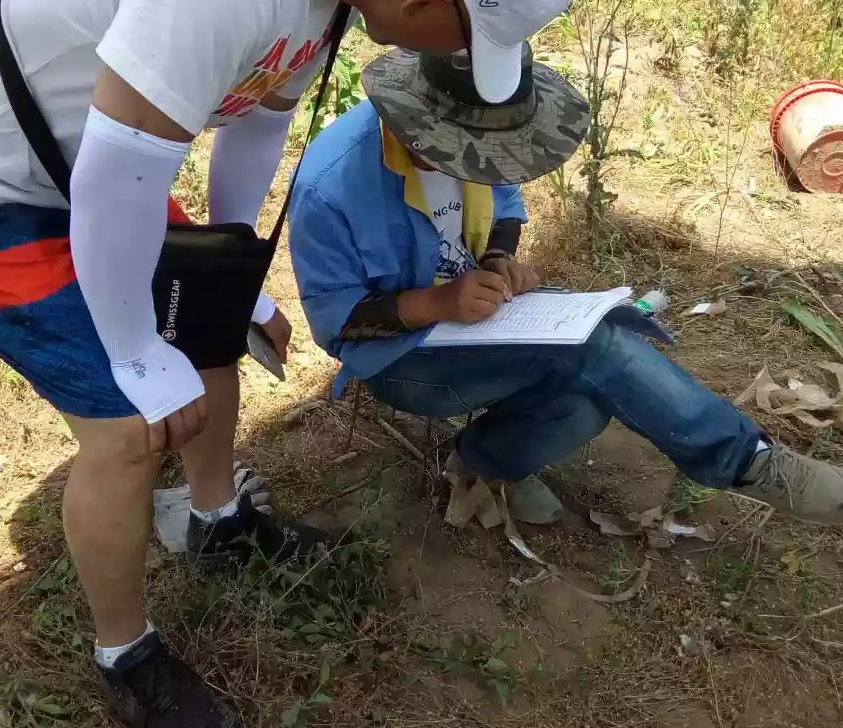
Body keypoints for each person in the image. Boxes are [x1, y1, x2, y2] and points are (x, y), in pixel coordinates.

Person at [0, 0, 589, 728]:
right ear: (426, 3)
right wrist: (135, 352)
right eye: (463, 45)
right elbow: (115, 181)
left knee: (211, 321)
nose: (443, 60)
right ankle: (125, 652)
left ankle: (213, 521)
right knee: (128, 426)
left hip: (93, 159)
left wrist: (230, 262)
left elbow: (256, 120)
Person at [289, 43, 843, 535]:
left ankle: (481, 462)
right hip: (402, 356)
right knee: (595, 348)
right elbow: (336, 324)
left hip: (482, 321)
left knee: (584, 406)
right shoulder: (329, 186)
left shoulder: (485, 130)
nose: (482, 164)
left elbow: (506, 207)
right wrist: (439, 301)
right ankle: (748, 461)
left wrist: (499, 260)